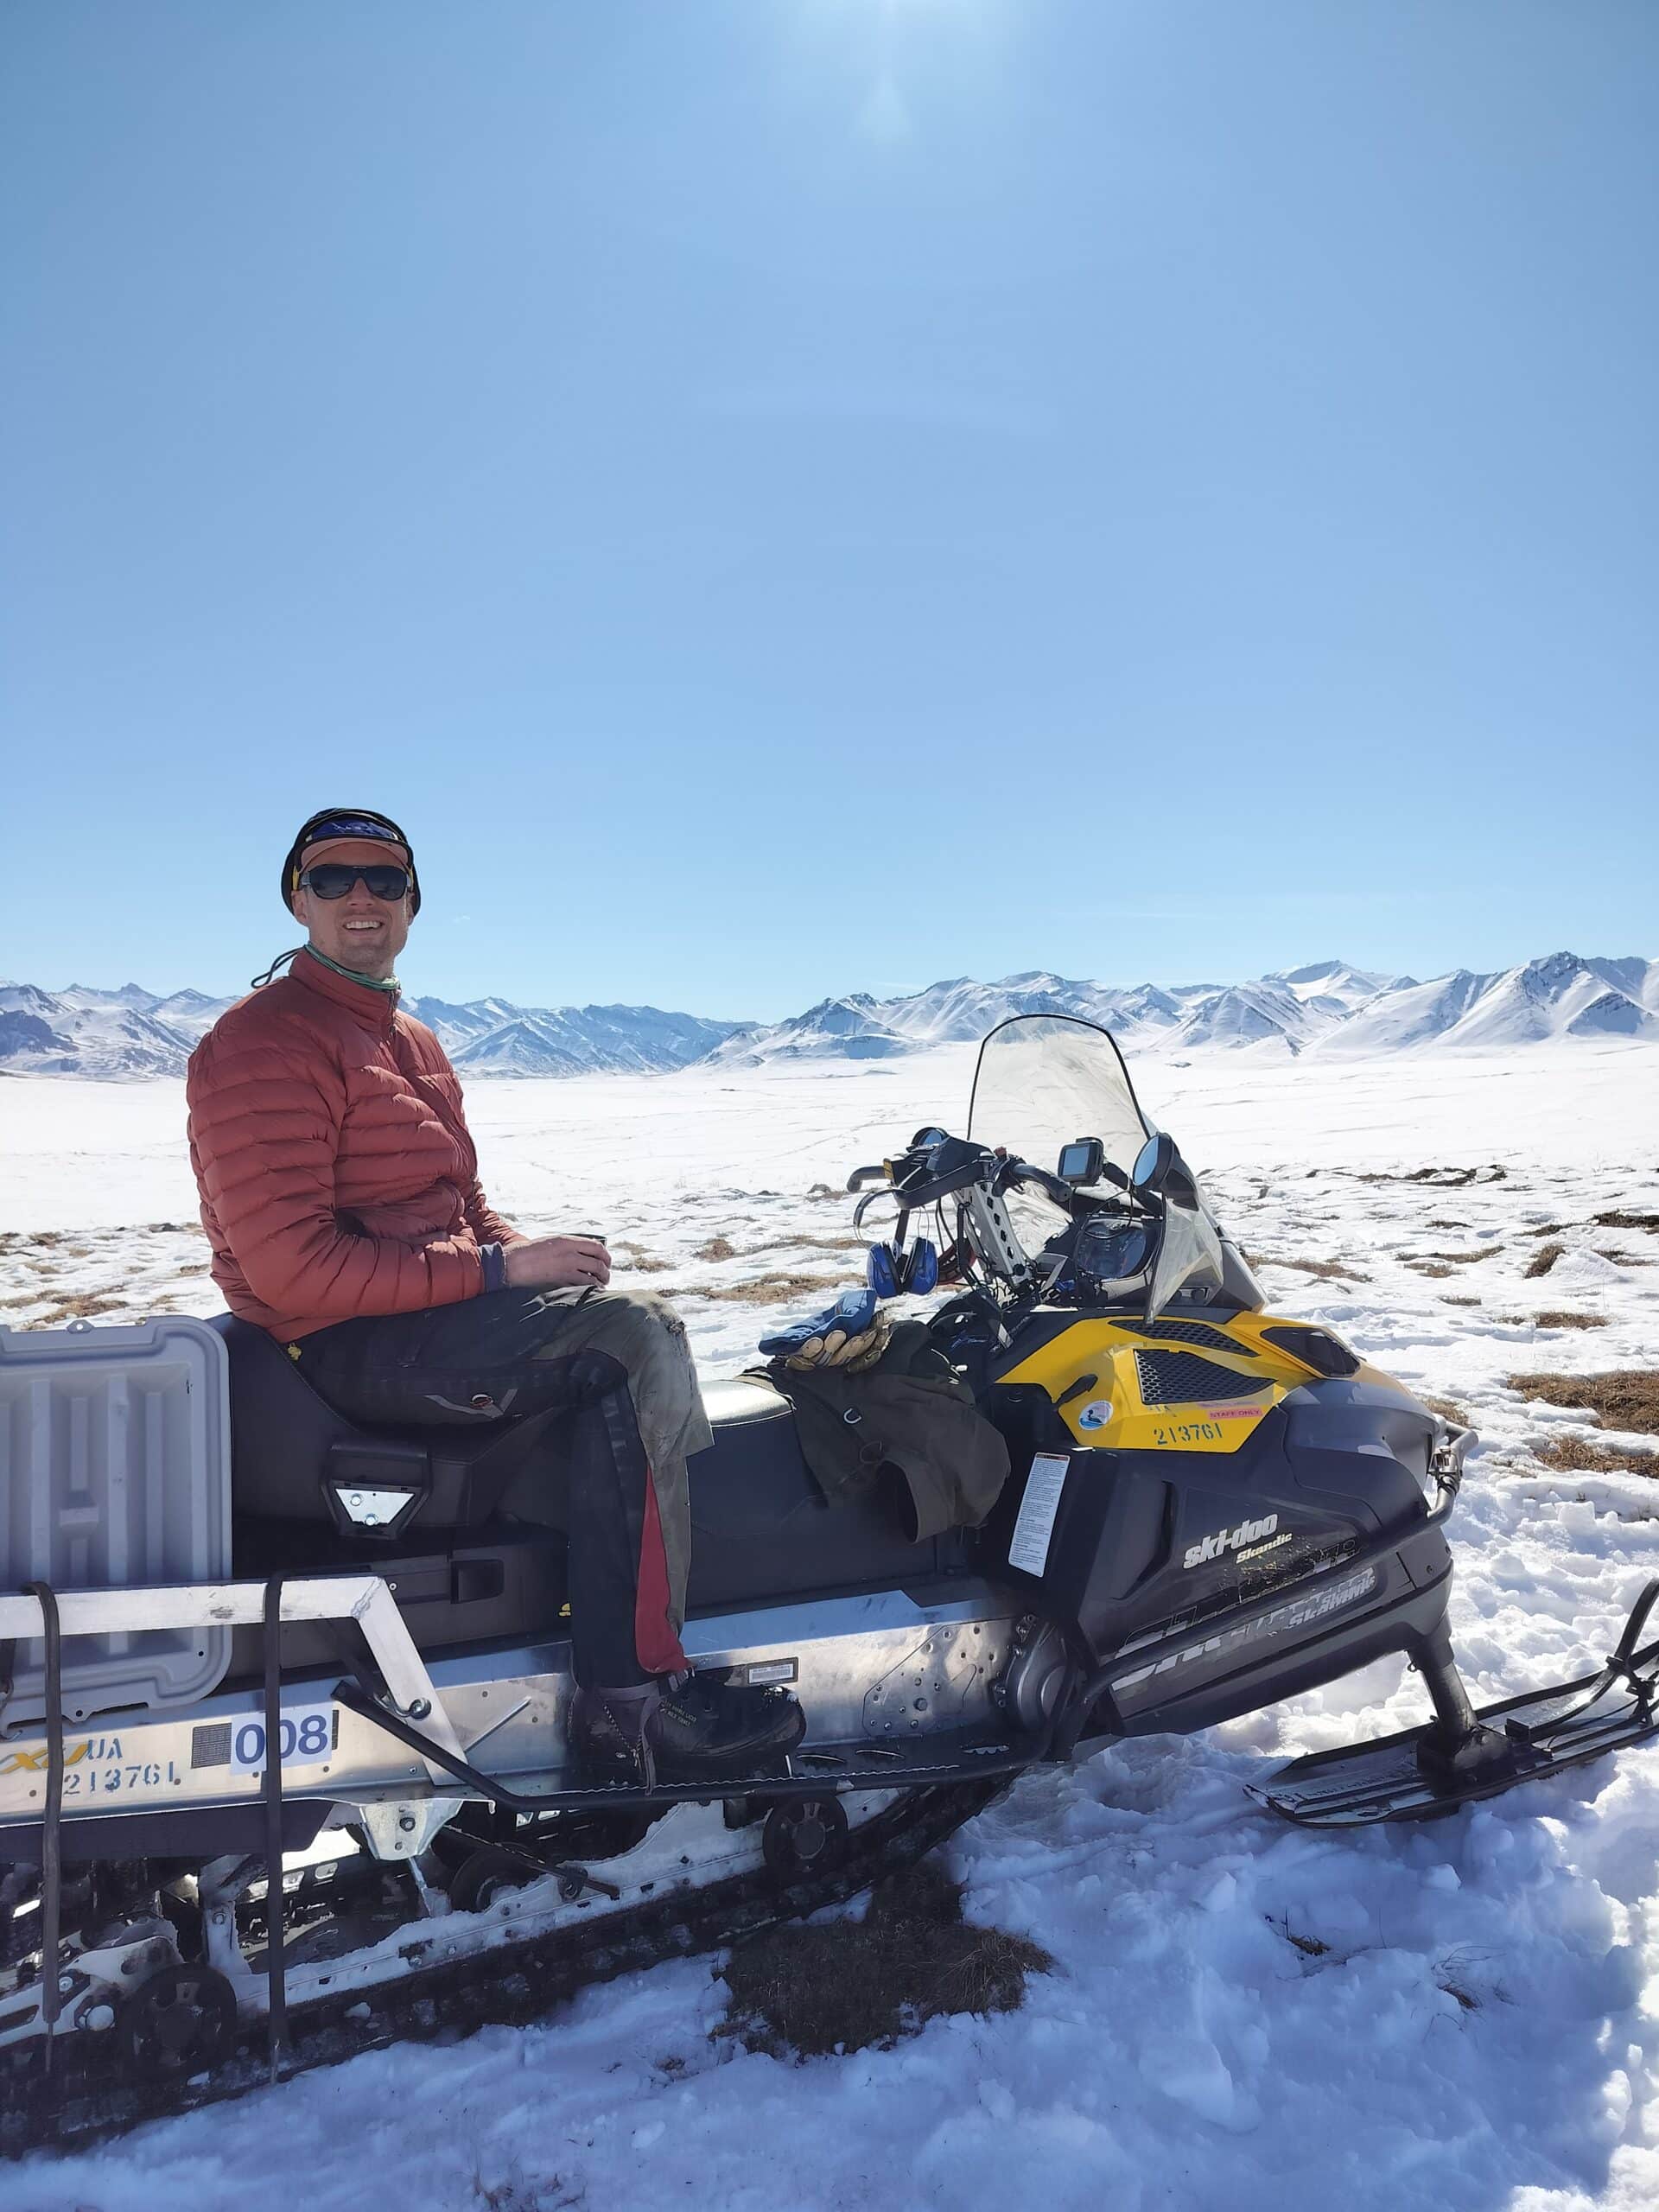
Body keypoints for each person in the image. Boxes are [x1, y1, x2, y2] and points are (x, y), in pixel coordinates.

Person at [185, 806, 803, 1783]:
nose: (361, 898)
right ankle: (632, 1703)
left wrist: (527, 1258)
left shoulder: (412, 1041)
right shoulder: (262, 1042)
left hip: (427, 1319)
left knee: (629, 1323)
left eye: (385, 881)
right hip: (336, 1344)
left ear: (413, 904)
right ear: (296, 897)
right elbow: (290, 1269)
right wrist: (502, 1275)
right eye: (335, 876)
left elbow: (461, 1203)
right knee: (631, 1346)